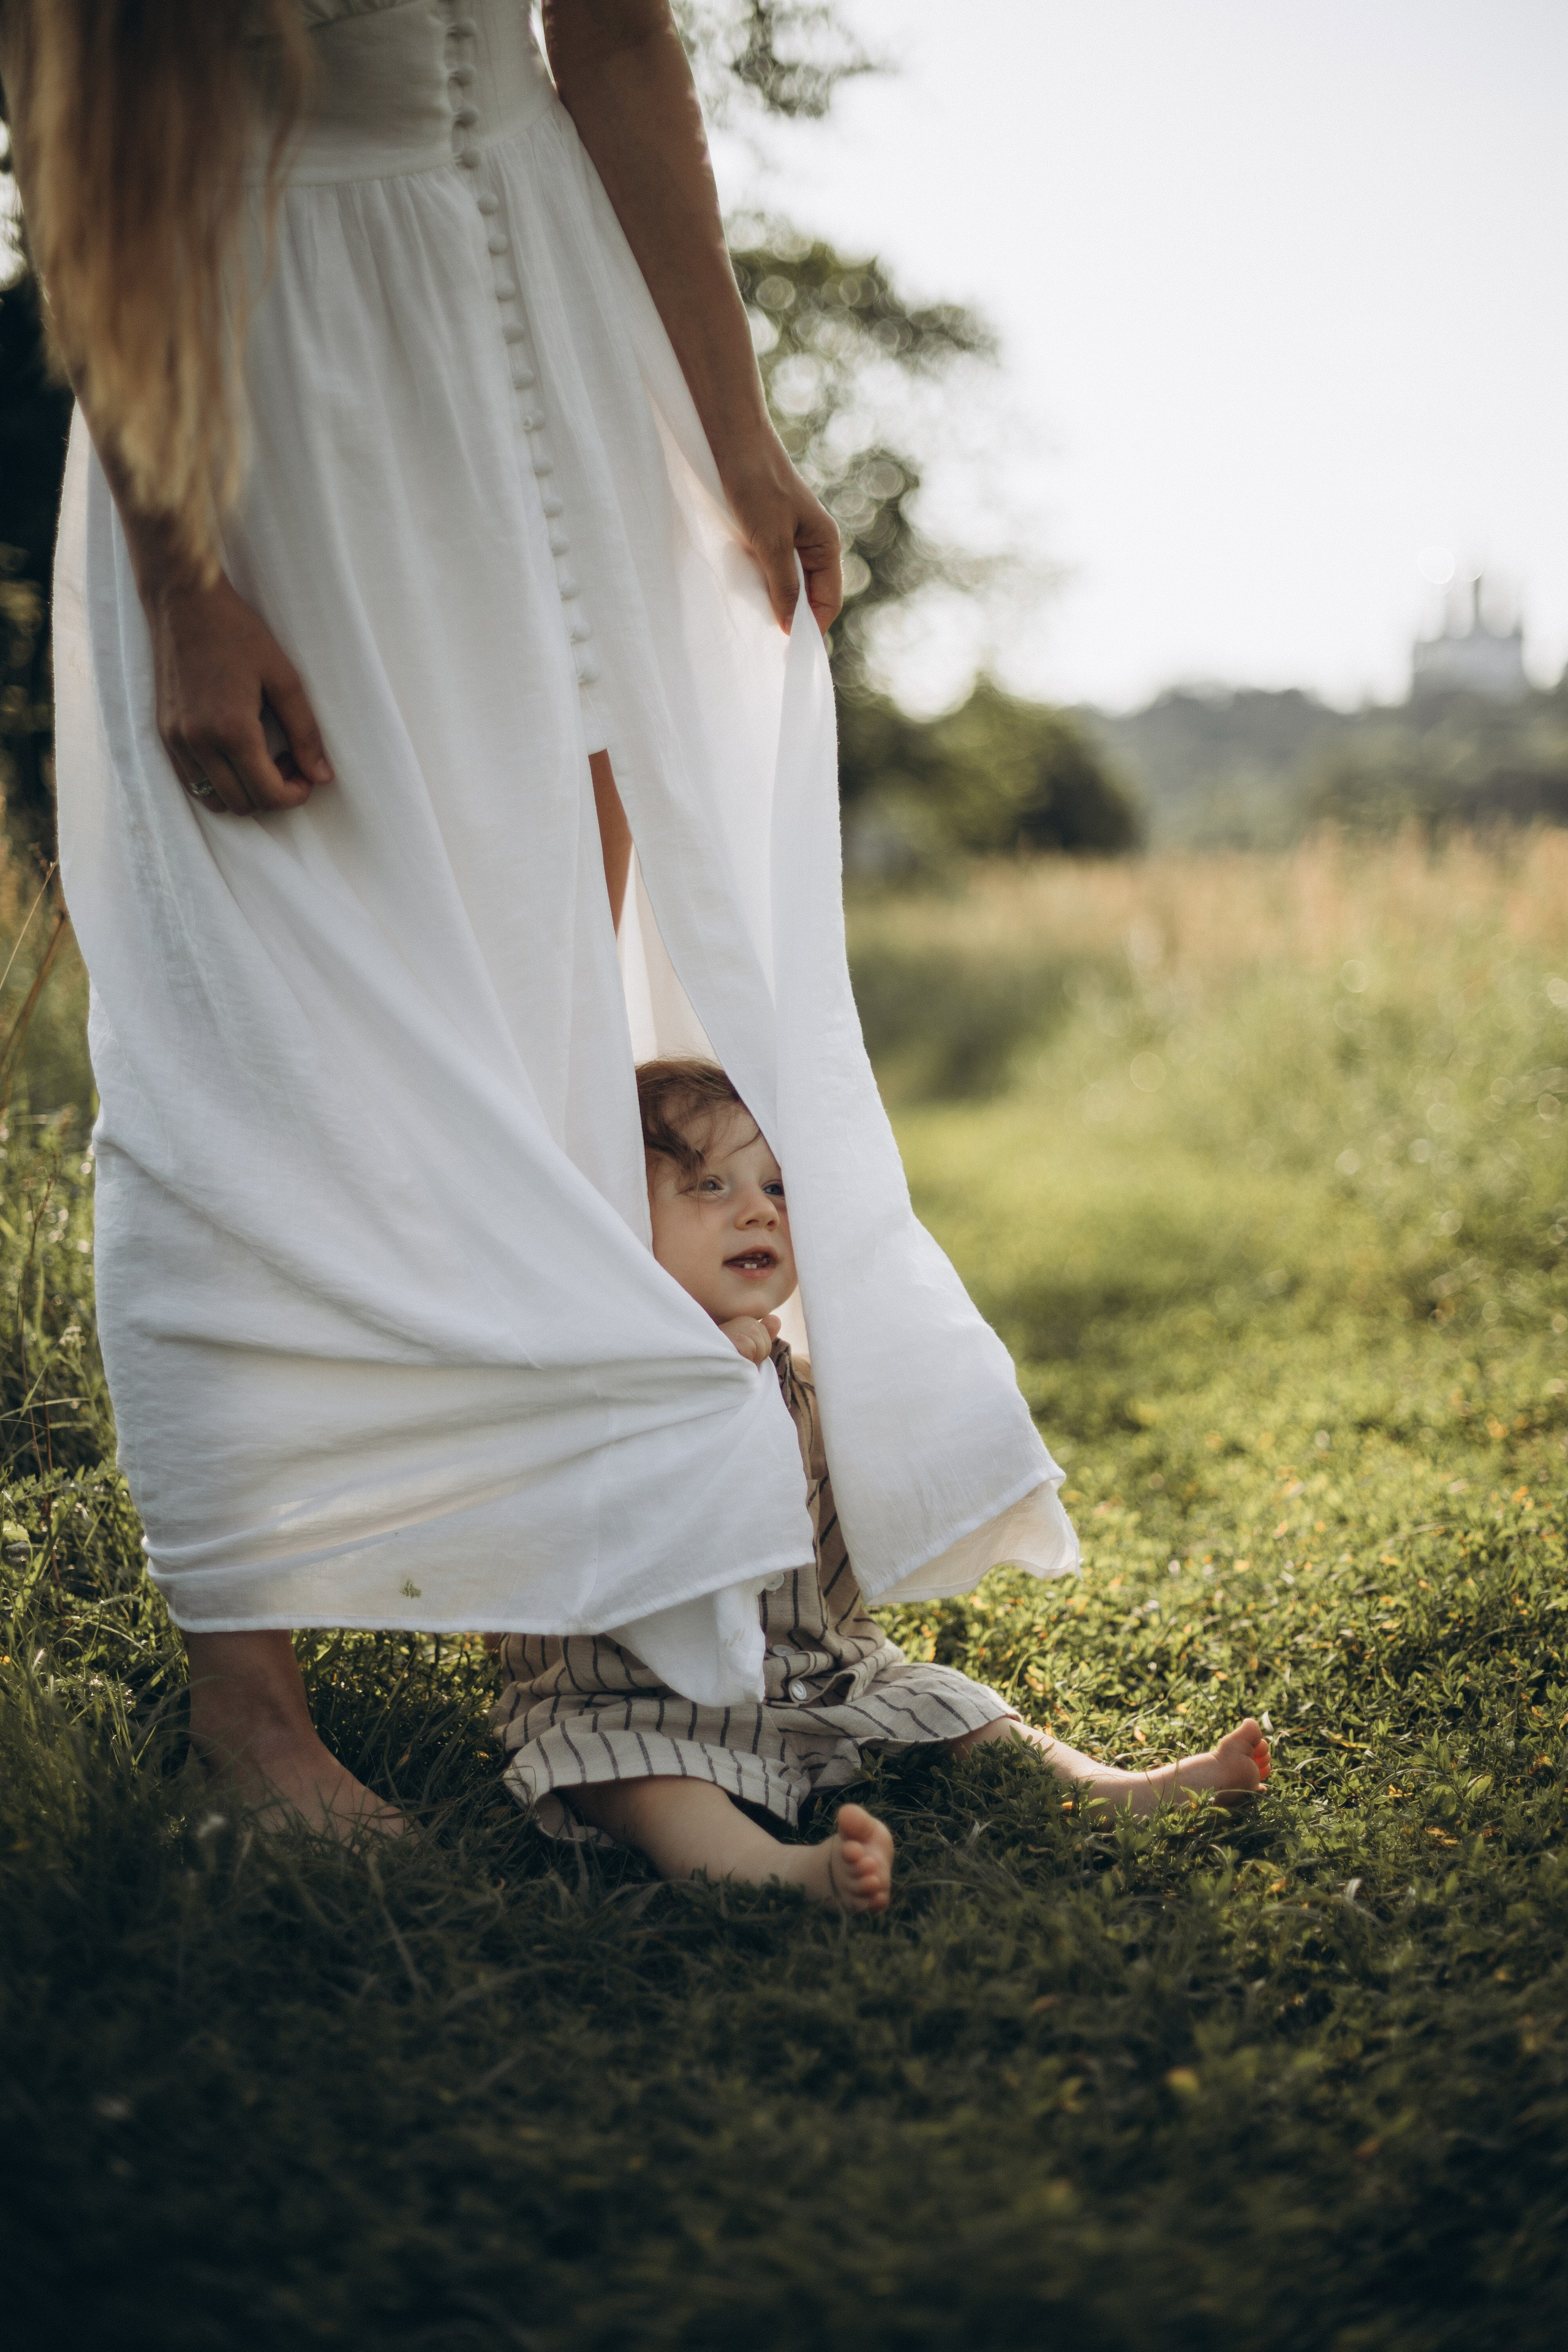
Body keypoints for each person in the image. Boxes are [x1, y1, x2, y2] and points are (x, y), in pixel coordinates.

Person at [2, 0, 1082, 1841]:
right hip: (272, 382)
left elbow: (622, 46)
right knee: (246, 1045)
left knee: (563, 1032)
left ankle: (602, 1616)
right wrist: (188, 583)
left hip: (560, 368)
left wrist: (733, 435)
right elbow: (79, 127)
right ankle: (246, 1711)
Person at [493, 1061, 1272, 1912]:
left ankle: (1112, 1786)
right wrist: (692, 1375)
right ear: (615, 1221)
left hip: (823, 1679)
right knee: (644, 1786)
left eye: (777, 1186)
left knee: (956, 1706)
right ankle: (783, 1872)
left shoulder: (807, 1383)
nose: (757, 1210)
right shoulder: (594, 1381)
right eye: (708, 1185)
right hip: (631, 1701)